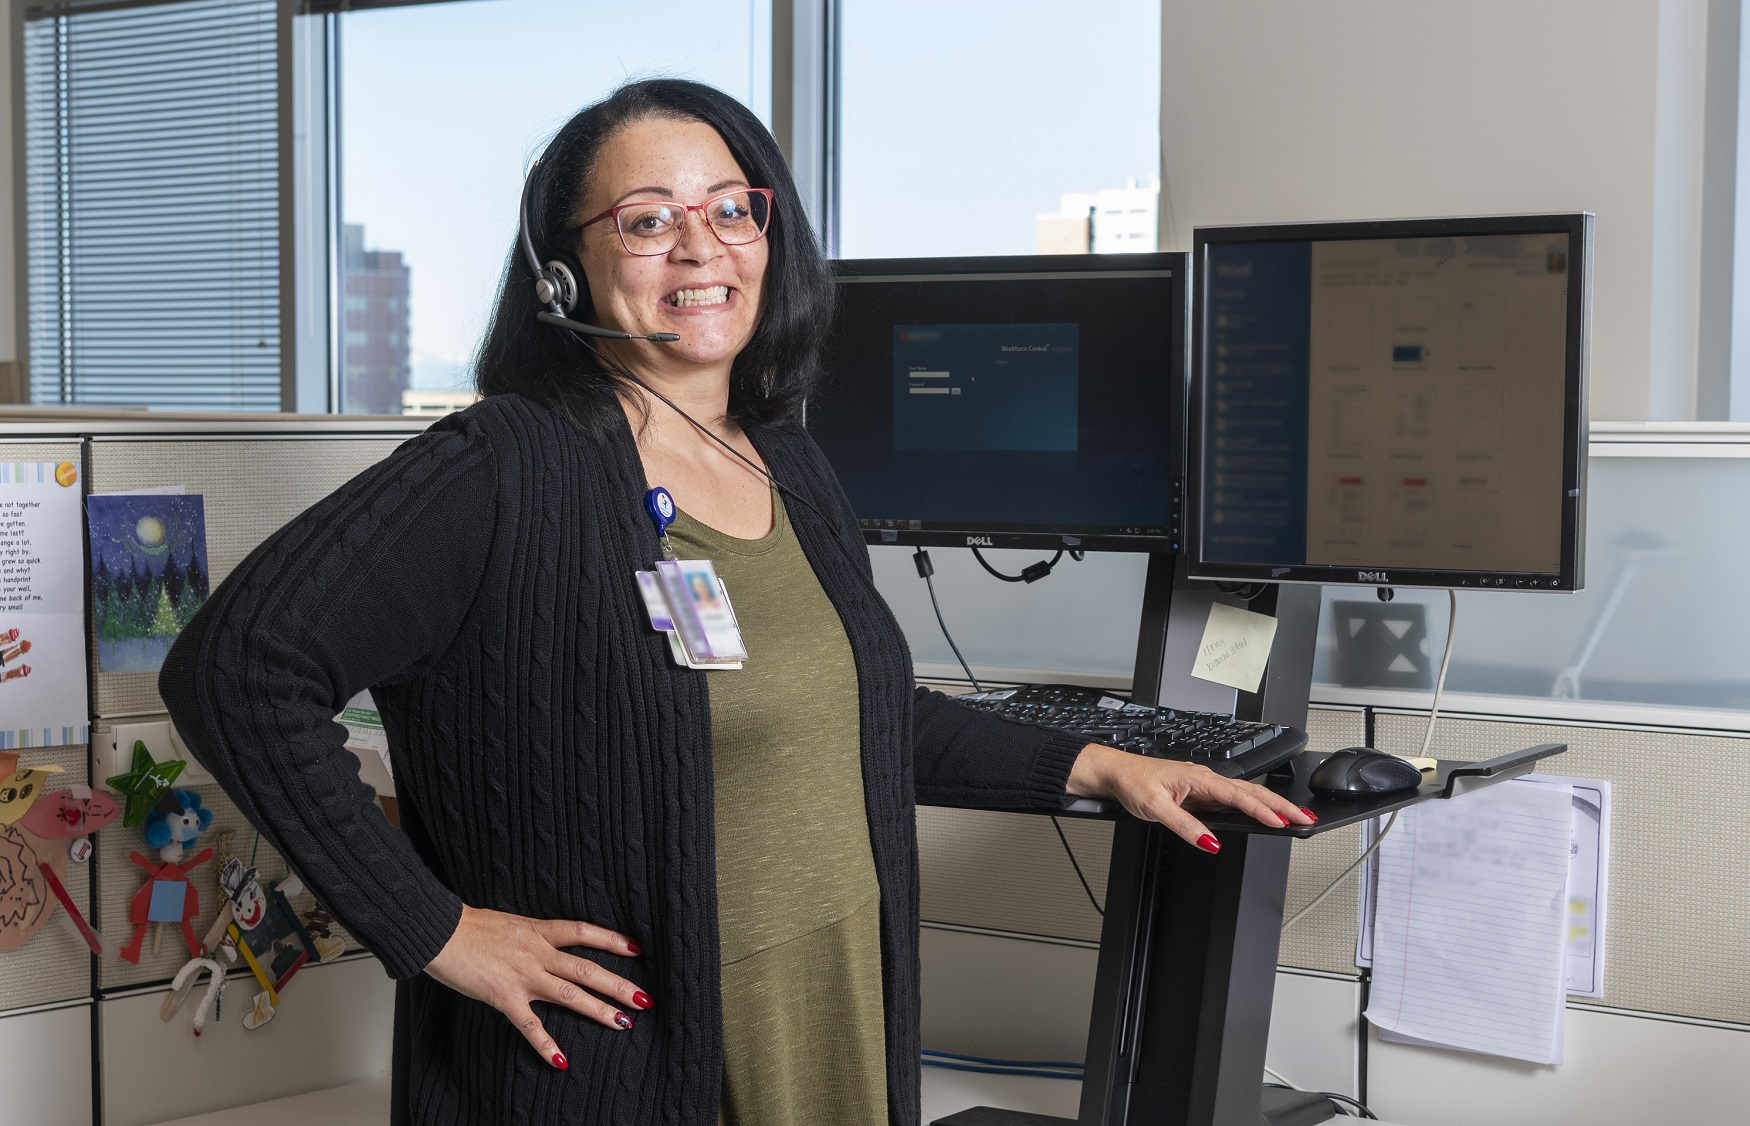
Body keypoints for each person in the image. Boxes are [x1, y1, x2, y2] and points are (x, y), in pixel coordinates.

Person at [159, 78, 1314, 1126]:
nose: (699, 246)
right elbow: (236, 669)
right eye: (647, 218)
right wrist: (437, 931)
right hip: (632, 1065)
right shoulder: (505, 466)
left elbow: (857, 715)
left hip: (830, 1015)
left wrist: (1103, 764)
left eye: (730, 208)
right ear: (563, 270)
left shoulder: (783, 460)